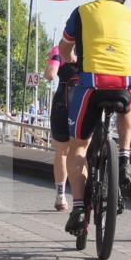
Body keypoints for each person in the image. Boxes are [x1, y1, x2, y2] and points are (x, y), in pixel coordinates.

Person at [59, 0, 131, 237]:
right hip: (125, 84)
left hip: (91, 84)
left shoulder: (81, 12)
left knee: (78, 146)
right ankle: (124, 158)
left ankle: (78, 208)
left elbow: (64, 49)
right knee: (130, 103)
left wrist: (72, 64)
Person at [45, 44, 77, 211]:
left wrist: (48, 68)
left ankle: (61, 196)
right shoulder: (90, 48)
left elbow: (51, 75)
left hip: (63, 103)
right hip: (84, 105)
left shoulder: (58, 50)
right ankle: (81, 198)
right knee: (81, 151)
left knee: (62, 152)